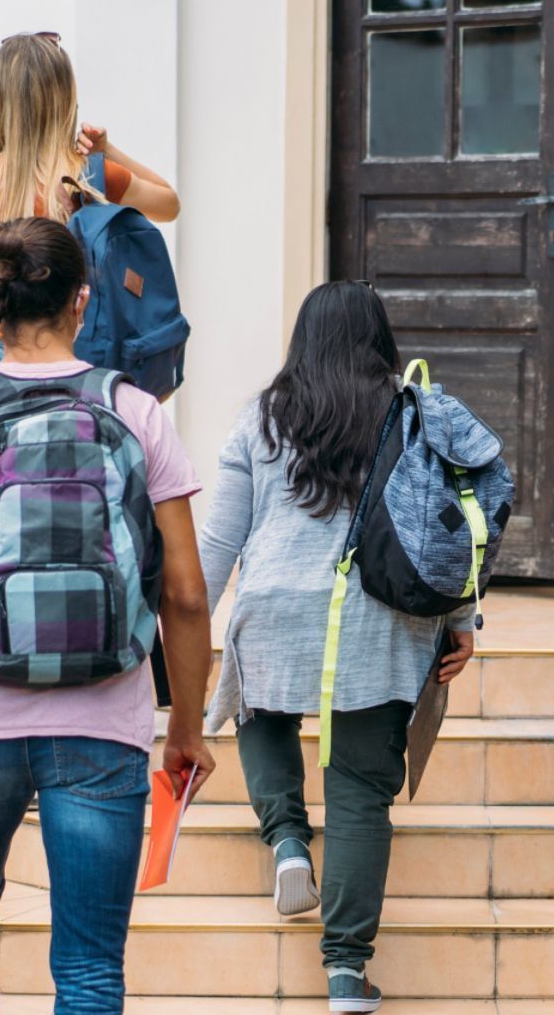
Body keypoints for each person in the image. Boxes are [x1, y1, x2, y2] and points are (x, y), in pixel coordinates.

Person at [0, 217, 216, 1011]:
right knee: (90, 965)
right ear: (83, 302)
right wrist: (186, 727)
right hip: (103, 721)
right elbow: (187, 596)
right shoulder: (139, 411)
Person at [198, 281, 477, 1015]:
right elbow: (457, 527)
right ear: (381, 339)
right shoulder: (417, 409)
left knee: (260, 710)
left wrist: (185, 631)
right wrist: (464, 622)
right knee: (358, 793)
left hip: (275, 604)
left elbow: (218, 542)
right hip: (381, 618)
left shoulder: (262, 418)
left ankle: (288, 841)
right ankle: (347, 975)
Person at [0, 31, 180, 372]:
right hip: (78, 356)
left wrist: (0, 282)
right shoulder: (89, 176)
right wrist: (107, 152)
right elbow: (169, 204)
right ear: (64, 98)